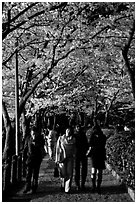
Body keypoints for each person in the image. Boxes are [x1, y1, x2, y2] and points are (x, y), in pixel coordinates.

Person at [86, 119, 106, 194]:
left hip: (96, 154)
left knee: (96, 171)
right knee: (97, 171)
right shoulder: (101, 136)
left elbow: (90, 145)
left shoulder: (95, 136)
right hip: (98, 155)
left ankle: (96, 186)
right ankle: (96, 186)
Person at [23, 126, 44, 193]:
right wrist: (24, 157)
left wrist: (36, 143)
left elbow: (41, 148)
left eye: (35, 133)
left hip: (37, 159)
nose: (33, 135)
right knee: (28, 174)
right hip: (29, 159)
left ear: (37, 133)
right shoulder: (28, 138)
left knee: (35, 174)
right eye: (32, 133)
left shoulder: (40, 139)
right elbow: (25, 148)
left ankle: (34, 187)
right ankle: (27, 187)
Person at [55, 127, 76, 194]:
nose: (68, 131)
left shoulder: (73, 139)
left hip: (70, 158)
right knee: (63, 173)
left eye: (69, 130)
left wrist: (74, 155)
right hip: (62, 158)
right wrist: (57, 159)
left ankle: (67, 188)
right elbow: (57, 149)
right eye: (67, 130)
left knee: (69, 173)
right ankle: (62, 185)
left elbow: (75, 149)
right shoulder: (61, 138)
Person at [74, 124, 88, 191]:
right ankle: (78, 184)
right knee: (77, 170)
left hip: (82, 154)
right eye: (77, 127)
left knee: (83, 170)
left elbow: (86, 144)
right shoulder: (74, 135)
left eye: (79, 126)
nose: (78, 128)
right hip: (77, 154)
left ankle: (82, 184)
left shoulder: (83, 135)